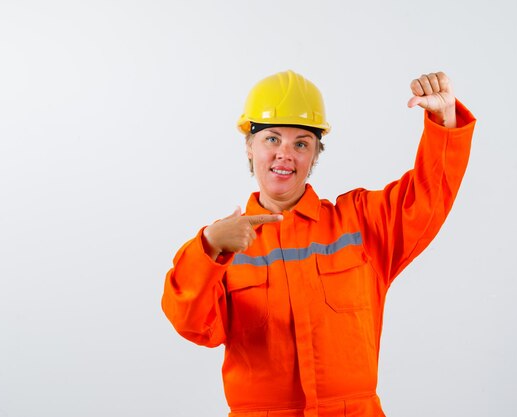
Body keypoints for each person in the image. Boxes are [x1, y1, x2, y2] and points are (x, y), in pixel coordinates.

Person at [162, 70, 476, 417]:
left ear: (314, 155)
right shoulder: (224, 247)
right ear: (249, 147)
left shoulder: (360, 223)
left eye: (301, 143)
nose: (285, 154)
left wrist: (443, 122)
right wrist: (208, 245)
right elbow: (191, 323)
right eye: (272, 139)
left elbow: (426, 198)